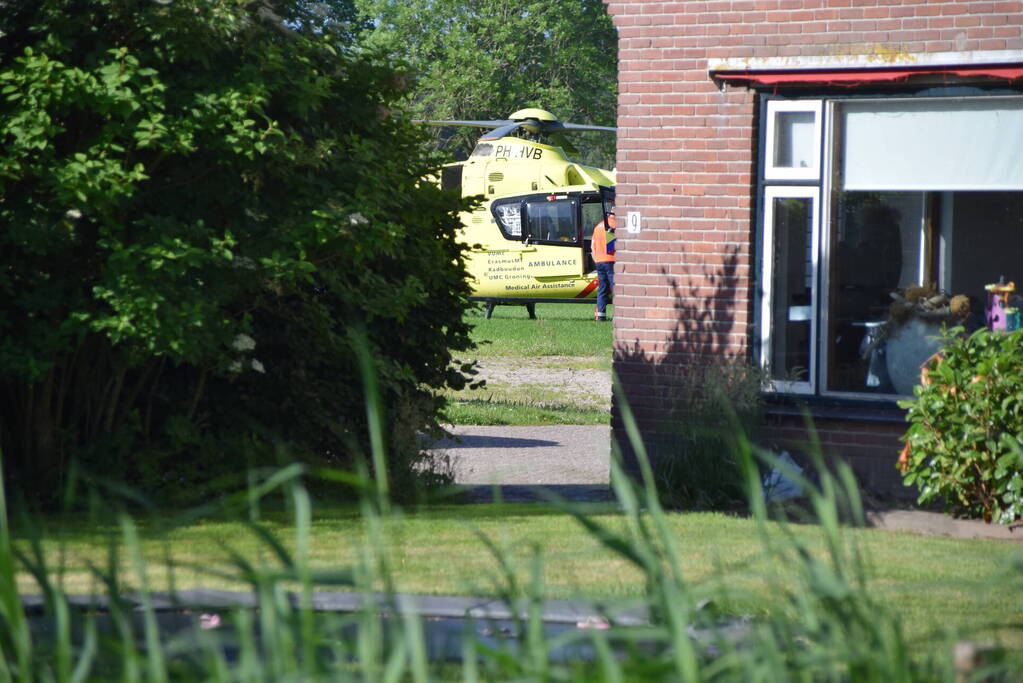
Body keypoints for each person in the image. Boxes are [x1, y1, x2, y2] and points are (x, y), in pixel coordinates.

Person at [591, 213, 616, 321]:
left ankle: (600, 315)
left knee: (602, 289)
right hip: (611, 260)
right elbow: (615, 246)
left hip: (599, 261)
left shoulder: (598, 226)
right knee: (615, 288)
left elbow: (592, 246)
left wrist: (596, 259)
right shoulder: (615, 224)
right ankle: (621, 315)